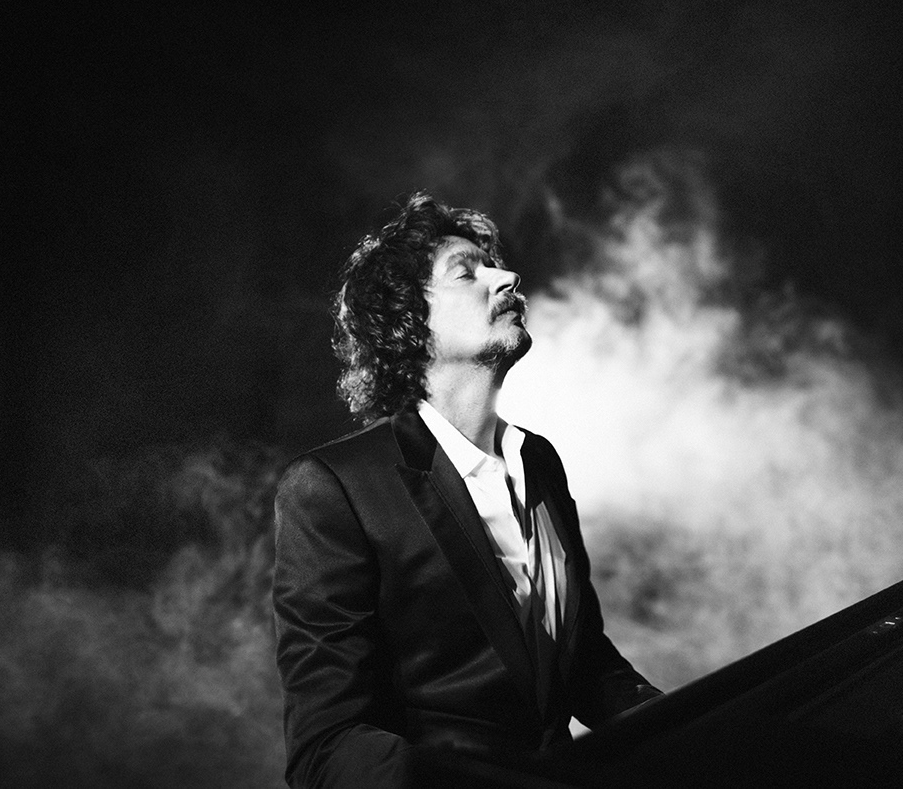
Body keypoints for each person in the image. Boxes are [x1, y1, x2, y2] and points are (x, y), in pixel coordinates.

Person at [272, 192, 661, 788]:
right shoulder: (332, 488)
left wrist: (703, 726)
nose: (507, 278)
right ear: (407, 319)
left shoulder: (539, 461)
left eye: (495, 265)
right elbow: (327, 747)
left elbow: (584, 666)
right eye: (466, 272)